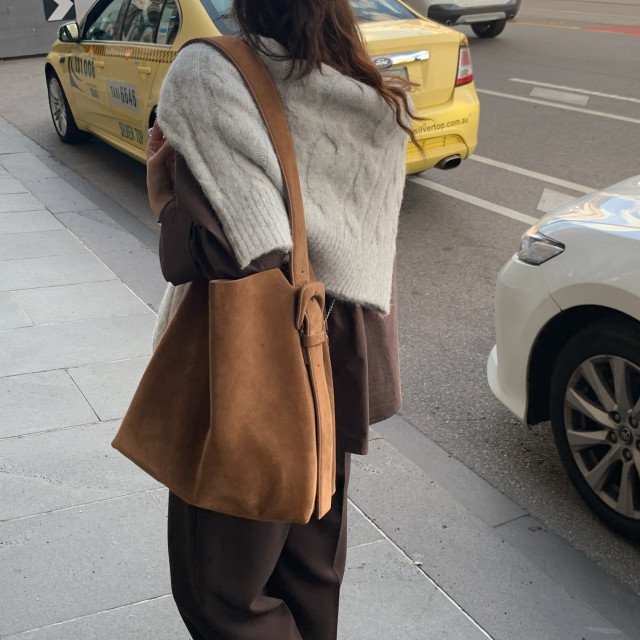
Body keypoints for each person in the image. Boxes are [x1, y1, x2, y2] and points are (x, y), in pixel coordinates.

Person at [145, 1, 418, 637]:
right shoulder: (369, 89)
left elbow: (246, 247)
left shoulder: (210, 71)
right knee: (311, 571)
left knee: (221, 595)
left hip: (258, 356)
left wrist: (165, 204)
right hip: (340, 351)